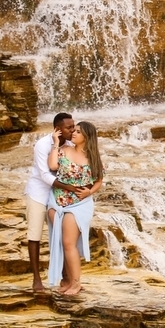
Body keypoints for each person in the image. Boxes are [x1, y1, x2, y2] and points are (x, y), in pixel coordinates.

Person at [46, 121, 105, 295]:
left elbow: (99, 180)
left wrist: (89, 192)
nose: (74, 133)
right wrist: (56, 145)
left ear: (87, 137)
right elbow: (52, 166)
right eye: (74, 130)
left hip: (79, 204)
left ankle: (77, 283)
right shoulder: (64, 150)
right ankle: (68, 281)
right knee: (60, 242)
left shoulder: (93, 157)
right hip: (57, 201)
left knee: (68, 243)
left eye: (78, 132)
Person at [24, 113, 74, 292]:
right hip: (38, 193)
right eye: (69, 127)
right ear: (57, 129)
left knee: (61, 235)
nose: (72, 130)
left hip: (58, 193)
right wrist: (71, 187)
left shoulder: (70, 145)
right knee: (35, 234)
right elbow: (45, 175)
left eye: (73, 126)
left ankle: (65, 277)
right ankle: (36, 279)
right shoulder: (42, 145)